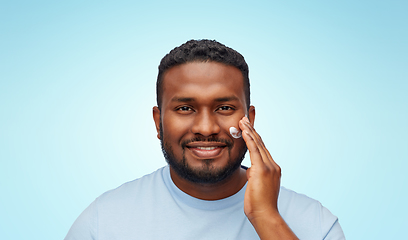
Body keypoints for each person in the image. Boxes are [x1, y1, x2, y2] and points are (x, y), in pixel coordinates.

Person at [65, 39, 345, 240]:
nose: (206, 127)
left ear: (250, 120)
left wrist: (266, 218)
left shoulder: (315, 224)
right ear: (158, 122)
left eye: (224, 108)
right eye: (185, 108)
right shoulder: (102, 223)